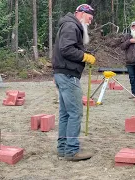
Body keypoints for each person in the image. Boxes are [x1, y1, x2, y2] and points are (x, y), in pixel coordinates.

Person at [52, 4, 96, 161]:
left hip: (62, 73)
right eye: (90, 18)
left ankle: (62, 148)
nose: (90, 22)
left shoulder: (69, 25)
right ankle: (71, 151)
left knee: (65, 113)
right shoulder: (72, 26)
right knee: (75, 113)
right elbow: (67, 49)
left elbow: (67, 48)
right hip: (68, 75)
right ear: (82, 14)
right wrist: (85, 57)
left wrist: (83, 54)